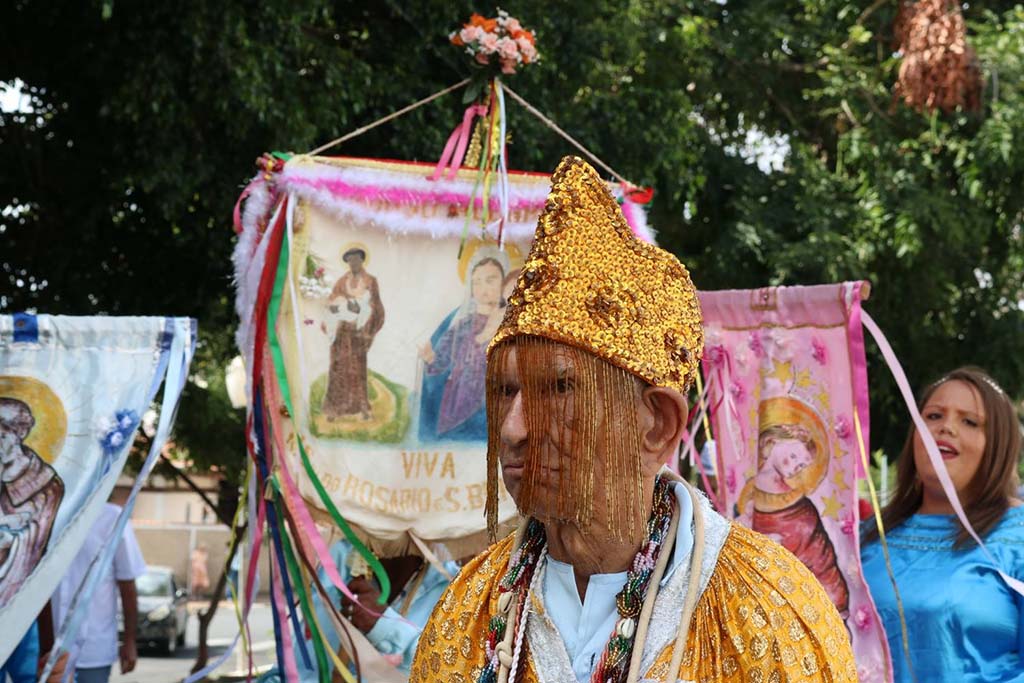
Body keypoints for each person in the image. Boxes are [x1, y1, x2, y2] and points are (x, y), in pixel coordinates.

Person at [410, 157, 856, 683]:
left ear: (657, 425)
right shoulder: (471, 607)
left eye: (559, 389)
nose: (513, 430)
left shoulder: (766, 607)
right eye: (506, 392)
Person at [861, 367, 1024, 682]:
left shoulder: (1017, 539)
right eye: (934, 416)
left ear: (998, 448)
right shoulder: (862, 539)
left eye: (969, 421)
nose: (946, 428)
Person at [268, 539, 458, 682]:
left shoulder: (455, 588)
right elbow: (290, 670)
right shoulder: (340, 561)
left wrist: (382, 624)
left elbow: (451, 670)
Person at [738, 398, 849, 618]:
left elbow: (821, 562)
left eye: (800, 466)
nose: (794, 464)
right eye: (794, 454)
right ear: (782, 437)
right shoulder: (748, 493)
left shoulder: (801, 513)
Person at [419, 249, 509, 442]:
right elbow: (440, 361)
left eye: (490, 280)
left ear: (504, 283)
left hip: (494, 404)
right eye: (476, 282)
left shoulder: (511, 323)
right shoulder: (463, 324)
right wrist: (430, 359)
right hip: (458, 403)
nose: (482, 288)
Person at [52, 502, 146, 683]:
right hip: (48, 650)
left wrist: (129, 641)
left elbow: (127, 586)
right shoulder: (50, 513)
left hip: (92, 650)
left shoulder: (114, 518)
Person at [0, 398, 65, 607]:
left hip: (13, 590)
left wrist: (11, 538)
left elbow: (36, 541)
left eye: (1, 435)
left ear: (19, 434)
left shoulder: (44, 483)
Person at [322, 247, 385, 422]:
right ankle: (334, 409)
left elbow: (376, 307)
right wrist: (333, 307)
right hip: (341, 334)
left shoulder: (370, 281)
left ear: (362, 260)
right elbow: (331, 300)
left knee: (357, 370)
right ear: (347, 262)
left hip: (357, 334)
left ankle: (362, 408)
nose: (353, 263)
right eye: (350, 260)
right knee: (338, 370)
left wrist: (362, 311)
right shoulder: (342, 282)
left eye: (356, 259)